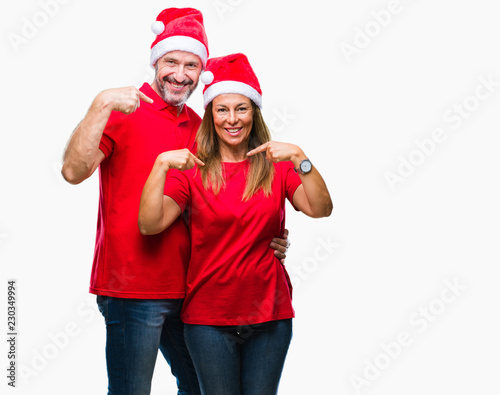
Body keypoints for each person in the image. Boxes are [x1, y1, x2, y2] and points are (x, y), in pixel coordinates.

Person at [60, 8, 290, 395]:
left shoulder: (204, 126)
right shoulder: (121, 112)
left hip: (193, 287)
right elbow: (72, 171)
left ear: (202, 73)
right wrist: (100, 105)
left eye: (191, 65)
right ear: (155, 61)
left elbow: (230, 193)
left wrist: (264, 238)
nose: (180, 74)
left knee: (201, 388)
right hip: (131, 287)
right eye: (171, 62)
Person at [138, 53, 333, 395]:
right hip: (208, 319)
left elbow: (320, 209)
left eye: (241, 109)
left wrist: (301, 159)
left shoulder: (278, 164)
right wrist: (159, 167)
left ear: (254, 113)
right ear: (211, 115)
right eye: (222, 109)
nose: (232, 119)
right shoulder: (193, 170)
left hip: (270, 316)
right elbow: (150, 225)